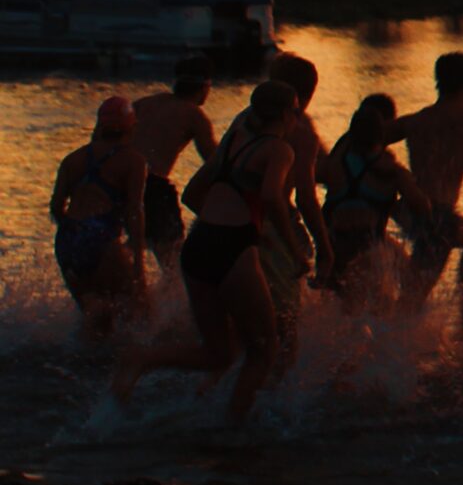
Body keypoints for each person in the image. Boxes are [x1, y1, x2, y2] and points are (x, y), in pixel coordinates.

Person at [114, 80, 307, 425]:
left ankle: (143, 359)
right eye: (295, 111)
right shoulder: (279, 150)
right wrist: (293, 250)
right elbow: (272, 196)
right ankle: (232, 429)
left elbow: (191, 195)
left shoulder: (233, 142)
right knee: (265, 350)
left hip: (199, 246)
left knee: (219, 352)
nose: (298, 117)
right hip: (231, 249)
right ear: (283, 114)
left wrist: (229, 224)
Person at [226, 52, 333, 364]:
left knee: (235, 332)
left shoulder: (242, 120)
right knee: (284, 329)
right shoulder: (300, 134)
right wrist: (324, 249)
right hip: (267, 231)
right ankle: (274, 405)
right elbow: (304, 199)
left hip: (221, 222)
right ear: (309, 94)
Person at [392, 52, 463, 331]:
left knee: (413, 295)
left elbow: (366, 143)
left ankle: (380, 343)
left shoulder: (414, 122)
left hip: (411, 210)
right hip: (436, 214)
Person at [319, 97, 435, 313]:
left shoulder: (332, 166)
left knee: (344, 313)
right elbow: (423, 206)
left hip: (334, 246)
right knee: (401, 295)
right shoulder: (393, 171)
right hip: (367, 248)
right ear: (384, 132)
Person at [50, 97, 150, 336]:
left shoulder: (73, 159)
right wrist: (139, 262)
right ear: (131, 127)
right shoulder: (133, 161)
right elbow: (134, 211)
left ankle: (78, 365)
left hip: (68, 237)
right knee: (139, 306)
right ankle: (130, 365)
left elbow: (56, 207)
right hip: (100, 234)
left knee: (94, 309)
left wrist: (76, 231)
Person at [131, 57, 216, 273]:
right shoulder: (193, 114)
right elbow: (215, 162)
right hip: (152, 186)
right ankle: (176, 305)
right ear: (205, 86)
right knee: (175, 263)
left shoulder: (144, 103)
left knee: (131, 246)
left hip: (119, 183)